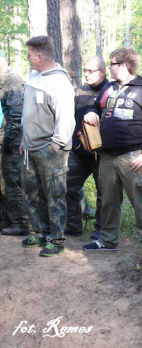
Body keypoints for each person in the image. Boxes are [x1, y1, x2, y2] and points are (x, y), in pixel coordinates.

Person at [82, 47, 142, 253]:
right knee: (109, 201)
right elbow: (96, 106)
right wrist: (91, 113)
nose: (109, 68)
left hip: (133, 157)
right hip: (107, 156)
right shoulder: (108, 88)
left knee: (139, 200)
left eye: (112, 64)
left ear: (125, 65)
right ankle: (108, 240)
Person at [20, 36, 75, 257]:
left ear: (40, 56)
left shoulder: (59, 82)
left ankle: (57, 239)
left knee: (54, 193)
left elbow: (66, 119)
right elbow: (29, 113)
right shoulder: (34, 76)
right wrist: (25, 140)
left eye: (30, 54)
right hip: (29, 148)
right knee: (32, 192)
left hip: (50, 149)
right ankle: (40, 232)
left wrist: (56, 145)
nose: (28, 57)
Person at [64, 56, 108, 240]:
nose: (87, 74)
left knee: (104, 193)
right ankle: (73, 226)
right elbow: (70, 116)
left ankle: (101, 229)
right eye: (86, 71)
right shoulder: (80, 91)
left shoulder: (111, 90)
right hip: (79, 152)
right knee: (68, 187)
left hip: (102, 154)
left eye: (91, 71)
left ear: (103, 72)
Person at [0, 49, 30, 236]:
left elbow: (16, 116)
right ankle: (6, 219)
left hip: (11, 140)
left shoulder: (12, 80)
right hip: (4, 138)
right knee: (3, 182)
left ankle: (20, 222)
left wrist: (10, 144)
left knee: (11, 181)